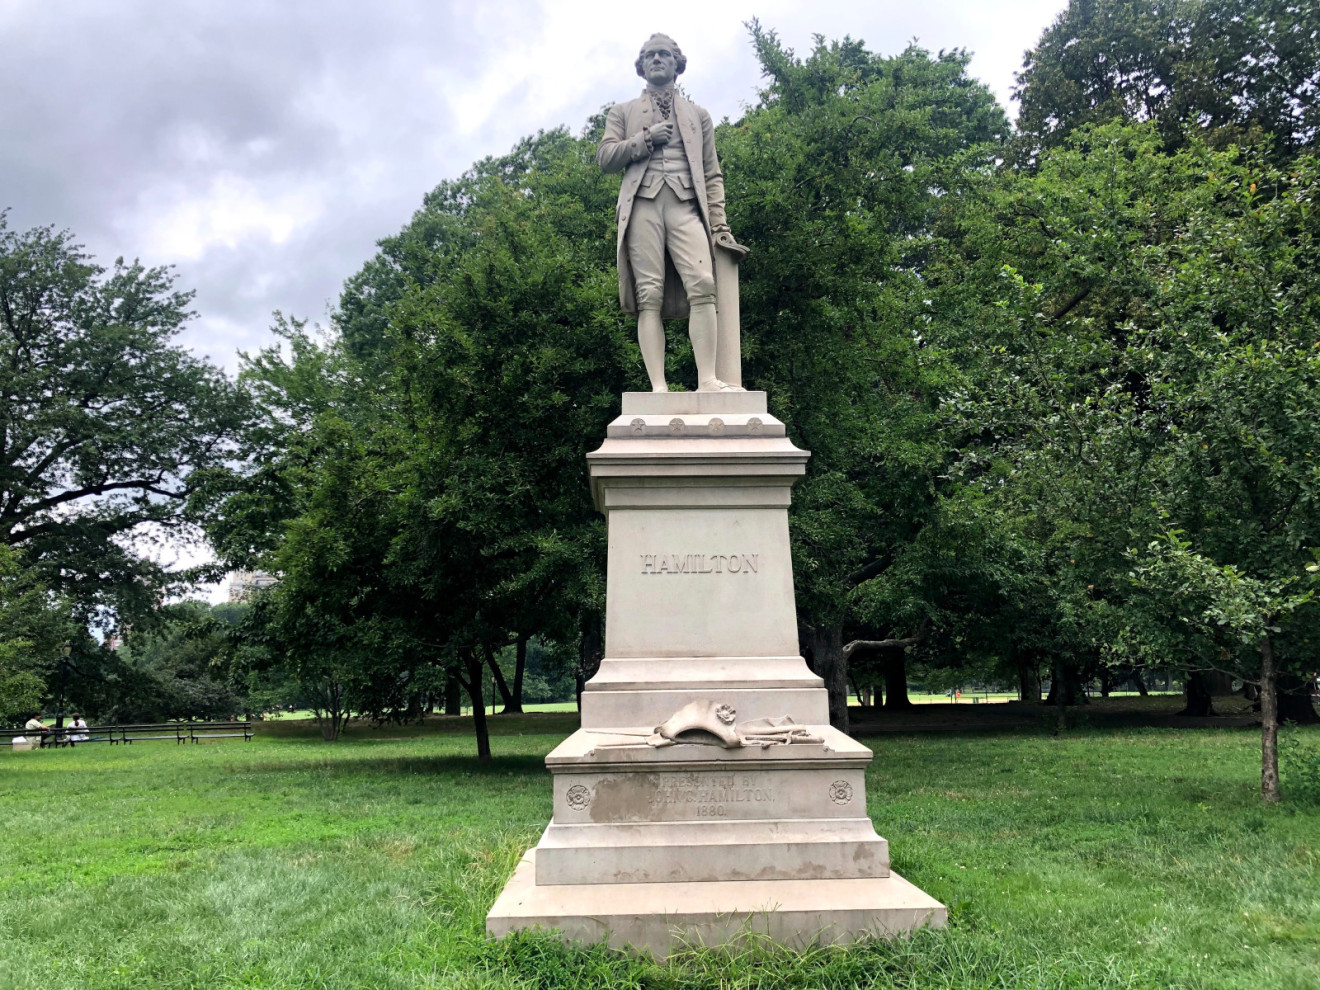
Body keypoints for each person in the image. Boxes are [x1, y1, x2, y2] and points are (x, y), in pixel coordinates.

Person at [598, 33, 748, 392]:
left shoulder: (698, 116)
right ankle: (658, 387)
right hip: (643, 205)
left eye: (663, 54)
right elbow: (605, 157)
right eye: (649, 55)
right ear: (641, 66)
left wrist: (719, 223)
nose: (656, 59)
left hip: (684, 206)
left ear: (677, 63)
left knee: (704, 285)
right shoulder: (622, 112)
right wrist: (645, 140)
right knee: (648, 294)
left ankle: (708, 379)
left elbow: (712, 175)